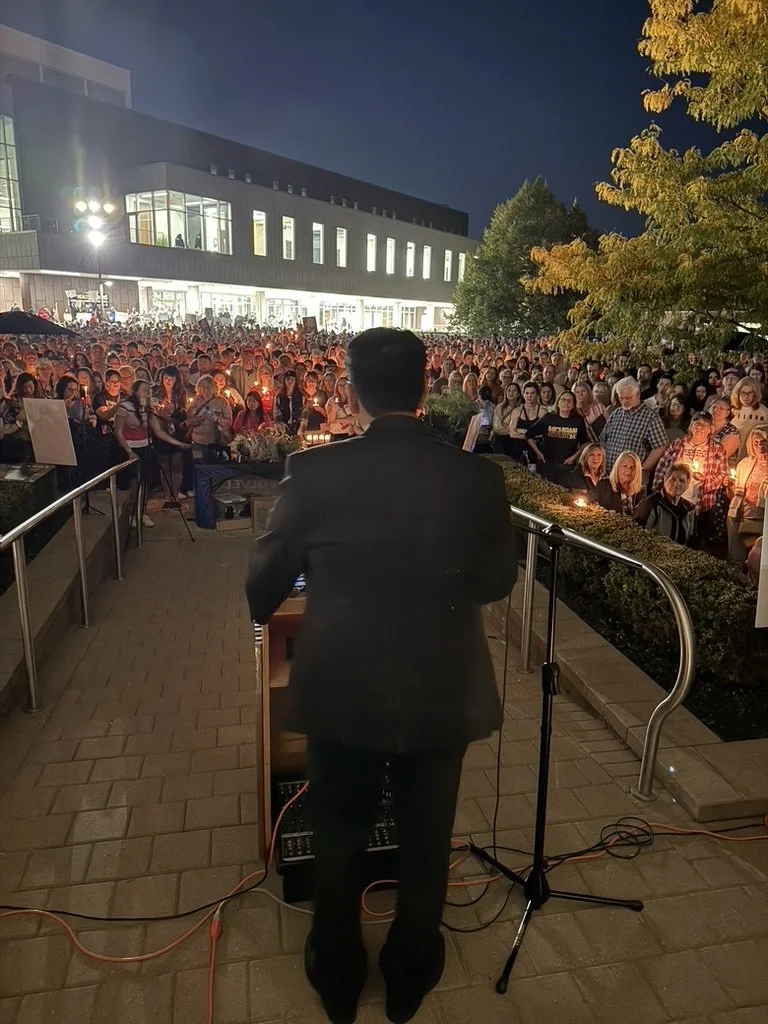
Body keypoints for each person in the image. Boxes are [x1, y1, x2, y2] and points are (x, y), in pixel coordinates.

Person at [245, 328, 517, 1024]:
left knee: (338, 833)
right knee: (428, 839)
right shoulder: (477, 478)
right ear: (426, 388)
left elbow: (258, 591)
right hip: (440, 686)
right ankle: (408, 973)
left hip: (343, 686)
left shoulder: (313, 473)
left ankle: (337, 977)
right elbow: (492, 582)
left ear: (350, 388)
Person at [651, 412, 728, 543]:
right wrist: (657, 489)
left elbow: (722, 474)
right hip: (673, 500)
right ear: (690, 426)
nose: (700, 428)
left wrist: (704, 480)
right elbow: (662, 467)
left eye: (704, 425)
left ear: (711, 429)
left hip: (700, 503)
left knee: (694, 539)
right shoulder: (678, 444)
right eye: (697, 424)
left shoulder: (717, 450)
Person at [601, 377, 668, 472]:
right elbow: (603, 440)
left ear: (638, 394)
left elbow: (660, 447)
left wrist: (642, 469)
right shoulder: (616, 413)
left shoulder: (651, 418)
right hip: (609, 473)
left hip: (631, 476)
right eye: (621, 398)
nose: (624, 401)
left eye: (628, 398)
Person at [727, 425, 768, 567]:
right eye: (756, 442)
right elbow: (733, 494)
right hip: (739, 512)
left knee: (757, 556)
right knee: (735, 555)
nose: (760, 446)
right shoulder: (744, 464)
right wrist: (729, 485)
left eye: (764, 442)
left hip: (762, 516)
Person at [525, 390, 589, 479]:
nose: (566, 402)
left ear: (573, 405)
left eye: (569, 400)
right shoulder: (548, 418)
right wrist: (538, 453)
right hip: (547, 464)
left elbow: (584, 443)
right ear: (558, 403)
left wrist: (574, 457)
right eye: (563, 400)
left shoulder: (578, 420)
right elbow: (528, 435)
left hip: (566, 465)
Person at [635, 463, 696, 545]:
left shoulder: (689, 509)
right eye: (673, 479)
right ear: (665, 479)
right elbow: (637, 535)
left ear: (687, 484)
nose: (676, 484)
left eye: (681, 480)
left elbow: (690, 541)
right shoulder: (651, 504)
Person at [588, 450, 643, 516]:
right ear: (617, 467)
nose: (628, 470)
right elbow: (590, 503)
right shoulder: (604, 485)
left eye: (632, 467)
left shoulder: (640, 490)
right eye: (624, 466)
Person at [730, 377, 768, 460]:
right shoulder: (733, 410)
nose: (746, 397)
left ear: (755, 394)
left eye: (750, 393)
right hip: (733, 455)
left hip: (752, 457)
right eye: (743, 393)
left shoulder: (764, 412)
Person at [491, 383, 521, 455]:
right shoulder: (499, 407)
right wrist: (512, 430)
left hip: (516, 441)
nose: (511, 393)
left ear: (519, 394)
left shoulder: (522, 408)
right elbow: (497, 427)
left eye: (514, 391)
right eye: (509, 390)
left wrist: (508, 428)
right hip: (501, 439)